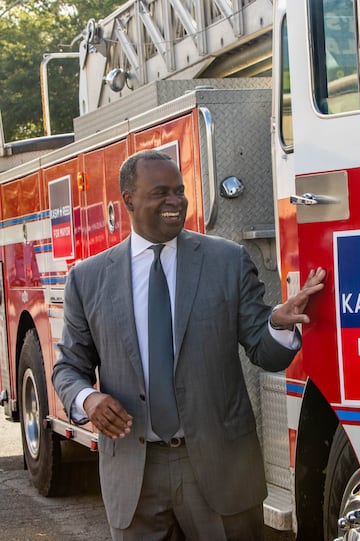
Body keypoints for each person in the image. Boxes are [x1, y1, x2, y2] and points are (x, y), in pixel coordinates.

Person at [52, 149, 326, 541]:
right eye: (160, 192)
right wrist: (87, 401)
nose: (175, 202)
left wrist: (279, 326)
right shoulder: (88, 279)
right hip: (134, 475)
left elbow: (263, 352)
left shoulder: (227, 261)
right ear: (128, 199)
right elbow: (68, 368)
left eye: (179, 191)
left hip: (222, 471)